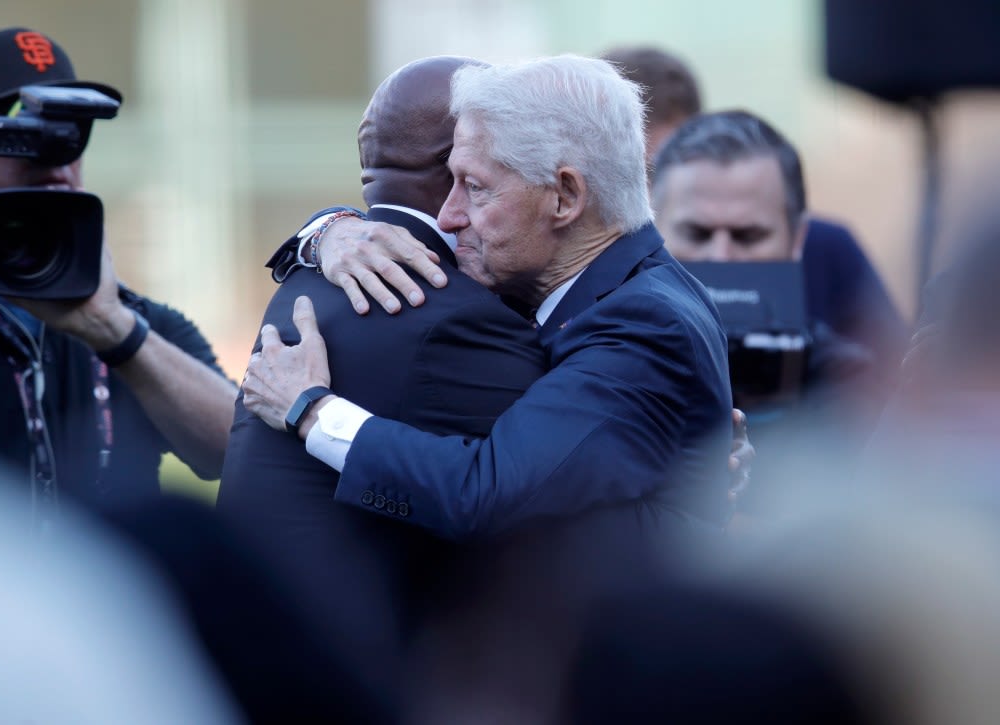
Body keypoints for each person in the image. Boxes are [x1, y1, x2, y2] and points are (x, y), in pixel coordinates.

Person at [243, 54, 733, 539]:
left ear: (564, 197)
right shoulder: (605, 283)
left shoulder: (643, 323)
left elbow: (487, 493)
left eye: (474, 187)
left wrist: (310, 411)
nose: (450, 216)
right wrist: (330, 229)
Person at [217, 55, 547, 706]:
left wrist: (325, 227)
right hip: (342, 682)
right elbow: (566, 478)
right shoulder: (446, 314)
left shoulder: (319, 273)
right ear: (460, 159)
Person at [0, 28, 236, 522]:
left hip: (104, 598)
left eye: (73, 132)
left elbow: (240, 454)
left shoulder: (133, 320)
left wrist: (116, 334)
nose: (54, 158)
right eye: (20, 135)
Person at [599, 44, 909, 372]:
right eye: (630, 176)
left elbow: (901, 389)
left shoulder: (825, 248)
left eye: (662, 168)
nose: (722, 254)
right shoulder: (585, 273)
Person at [650, 109, 879, 514]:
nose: (720, 258)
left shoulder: (856, 393)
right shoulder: (606, 371)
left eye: (748, 236)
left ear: (797, 239)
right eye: (696, 234)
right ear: (652, 233)